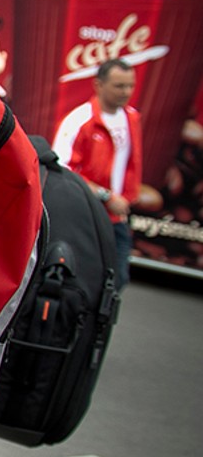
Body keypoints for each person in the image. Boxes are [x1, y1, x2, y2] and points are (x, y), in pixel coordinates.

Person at [52, 57, 142, 289]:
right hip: (85, 219)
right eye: (119, 86)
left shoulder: (131, 118)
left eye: (130, 85)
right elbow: (62, 171)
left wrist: (127, 197)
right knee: (80, 284)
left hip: (116, 219)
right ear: (99, 85)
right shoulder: (79, 121)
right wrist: (106, 196)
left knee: (117, 281)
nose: (126, 92)